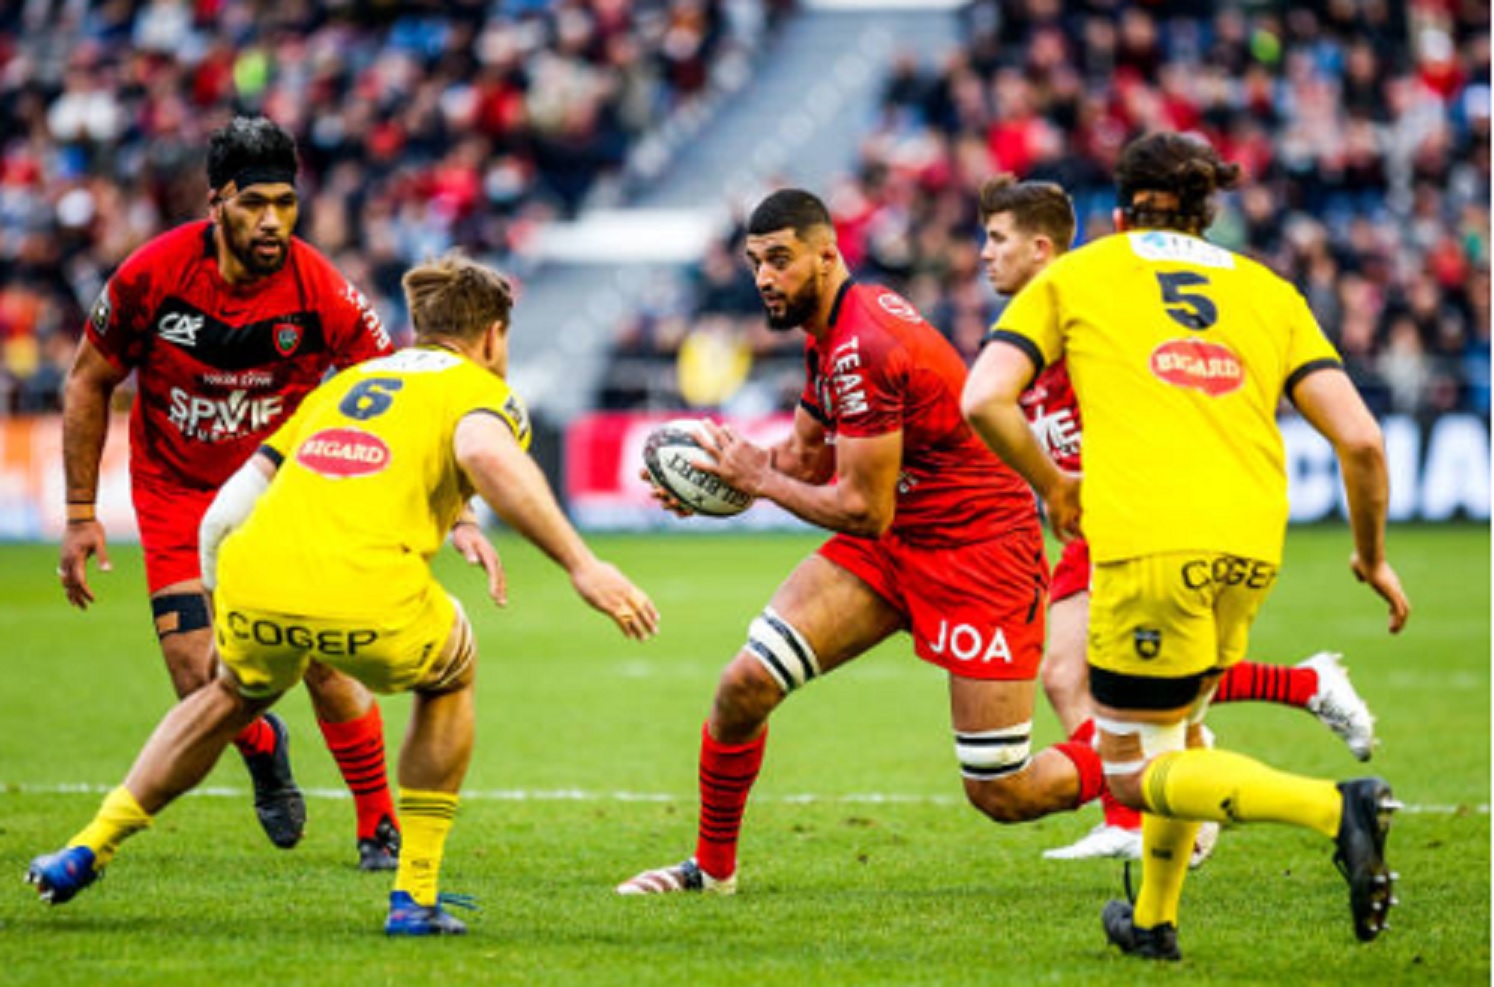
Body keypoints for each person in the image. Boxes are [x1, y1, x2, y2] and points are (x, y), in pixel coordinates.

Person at [28, 253, 661, 935]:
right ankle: (413, 895)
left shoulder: (345, 384)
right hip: (364, 591)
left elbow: (224, 512)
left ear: (420, 328)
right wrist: (581, 564)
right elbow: (483, 452)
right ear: (492, 336)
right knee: (453, 670)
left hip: (252, 575)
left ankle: (85, 847)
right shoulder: (483, 391)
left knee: (228, 695)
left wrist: (226, 604)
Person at [962, 132, 1410, 960]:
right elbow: (1364, 442)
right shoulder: (1270, 290)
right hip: (1252, 544)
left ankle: (1335, 809)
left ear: (1119, 206)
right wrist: (1373, 556)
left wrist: (1057, 487)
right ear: (1209, 210)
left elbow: (984, 398)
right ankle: (1155, 922)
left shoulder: (1078, 273)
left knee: (1132, 768)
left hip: (1147, 544)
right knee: (1182, 728)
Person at [616, 188, 1105, 897]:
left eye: (779, 260)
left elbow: (860, 509)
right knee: (743, 684)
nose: (762, 277)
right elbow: (807, 459)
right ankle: (712, 871)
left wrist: (758, 481)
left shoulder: (864, 343)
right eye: (755, 262)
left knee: (1003, 790)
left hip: (978, 551)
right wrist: (726, 475)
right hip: (898, 539)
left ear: (826, 254)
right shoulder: (831, 332)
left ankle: (1132, 750)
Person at [54, 116, 474, 869]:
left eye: (286, 201)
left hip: (278, 491)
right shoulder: (152, 275)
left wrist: (459, 503)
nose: (273, 219)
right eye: (255, 204)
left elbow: (400, 384)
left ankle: (378, 825)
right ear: (216, 203)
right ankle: (261, 742)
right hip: (176, 490)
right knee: (197, 673)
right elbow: (89, 378)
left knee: (321, 651)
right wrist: (81, 513)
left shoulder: (322, 287)